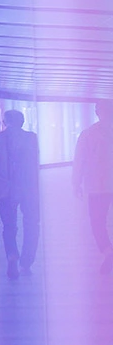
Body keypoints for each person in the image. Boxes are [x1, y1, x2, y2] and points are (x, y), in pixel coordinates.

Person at [0, 109, 41, 280]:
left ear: (4, 123)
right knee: (32, 223)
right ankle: (27, 260)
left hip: (5, 189)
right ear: (23, 121)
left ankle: (12, 254)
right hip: (29, 189)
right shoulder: (32, 138)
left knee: (9, 227)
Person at [73, 100, 113, 273]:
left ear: (98, 112)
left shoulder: (88, 134)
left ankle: (108, 251)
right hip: (100, 185)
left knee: (97, 222)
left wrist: (76, 183)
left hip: (98, 186)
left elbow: (79, 160)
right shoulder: (88, 134)